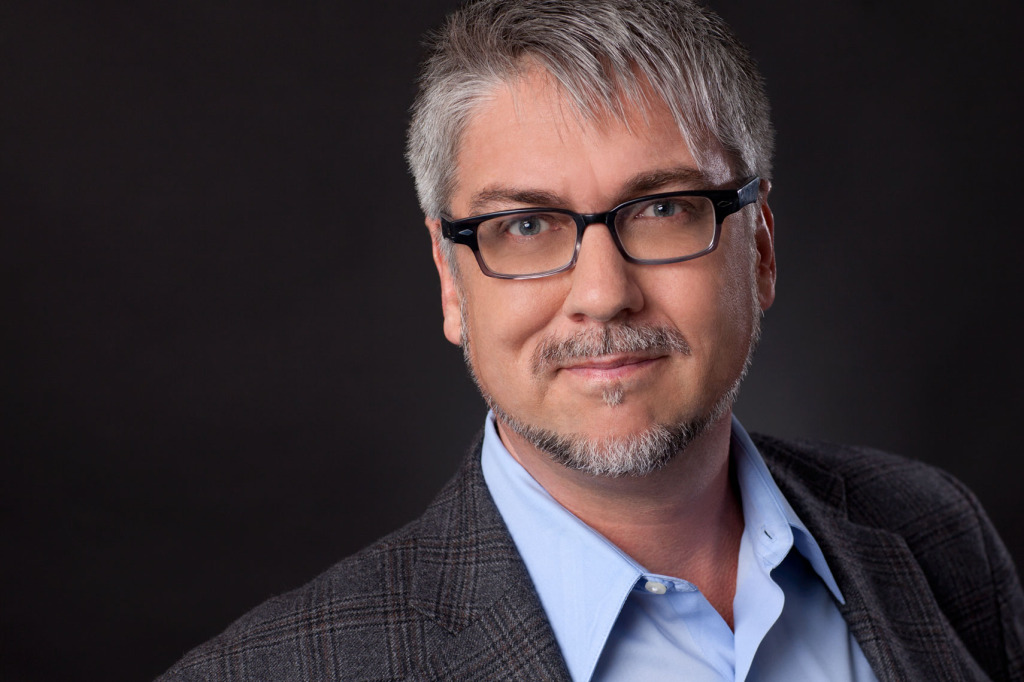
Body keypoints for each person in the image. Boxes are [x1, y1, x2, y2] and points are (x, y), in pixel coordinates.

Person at [159, 0, 1023, 679]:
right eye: (527, 224)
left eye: (661, 209)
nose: (603, 295)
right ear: (450, 282)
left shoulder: (935, 535)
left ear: (758, 248)